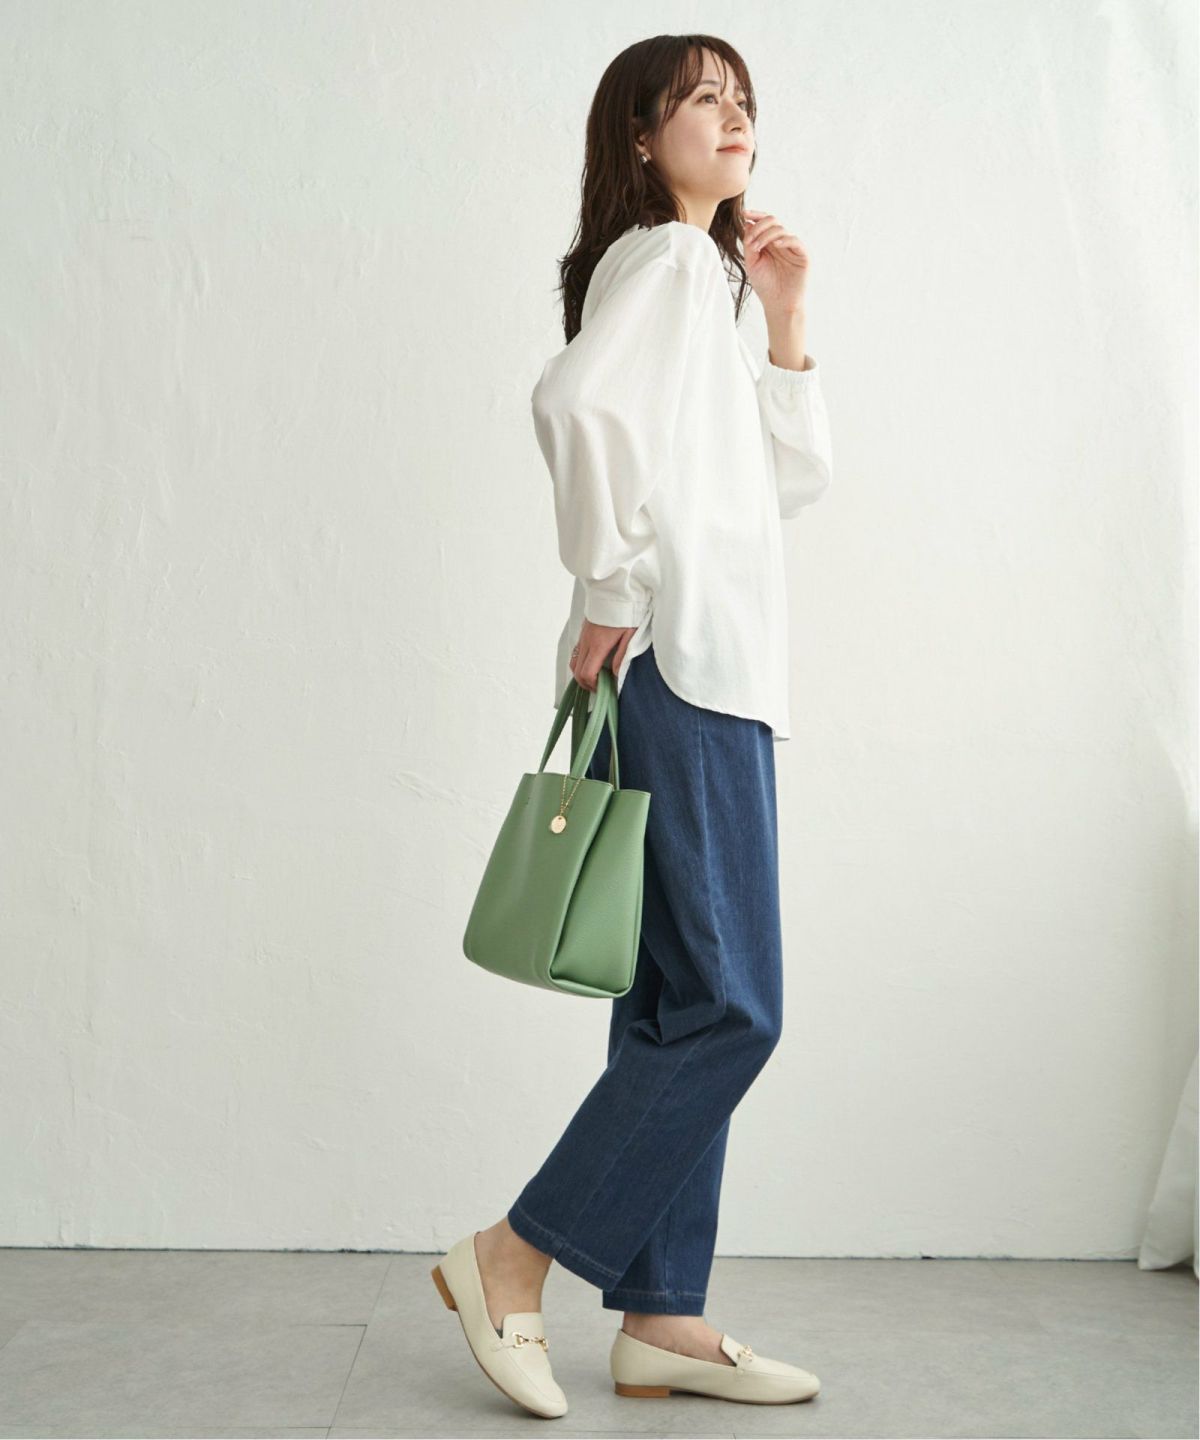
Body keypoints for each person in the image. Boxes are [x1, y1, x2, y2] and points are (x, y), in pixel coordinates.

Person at [432, 32, 834, 1419]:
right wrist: (609, 587)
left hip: (704, 669)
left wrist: (785, 320)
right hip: (686, 670)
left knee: (674, 1006)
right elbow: (574, 403)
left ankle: (662, 1314)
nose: (733, 117)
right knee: (730, 1008)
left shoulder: (701, 281)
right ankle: (512, 1256)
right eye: (700, 99)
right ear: (642, 137)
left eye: (743, 100)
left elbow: (782, 486)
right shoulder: (662, 260)